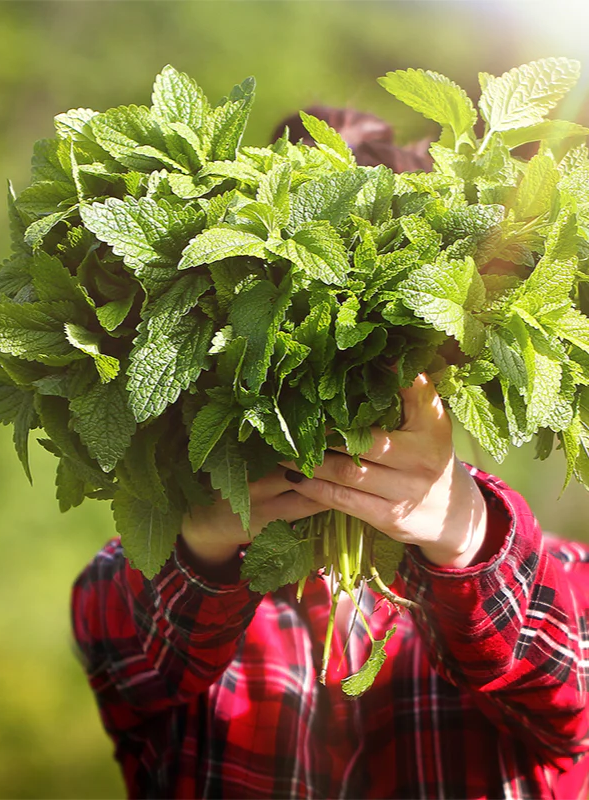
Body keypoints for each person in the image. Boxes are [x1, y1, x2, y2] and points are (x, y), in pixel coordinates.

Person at [70, 111, 589, 799]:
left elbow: (570, 699)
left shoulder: (562, 581)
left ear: (447, 355)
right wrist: (202, 542)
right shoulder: (146, 572)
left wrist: (466, 534)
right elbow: (129, 649)